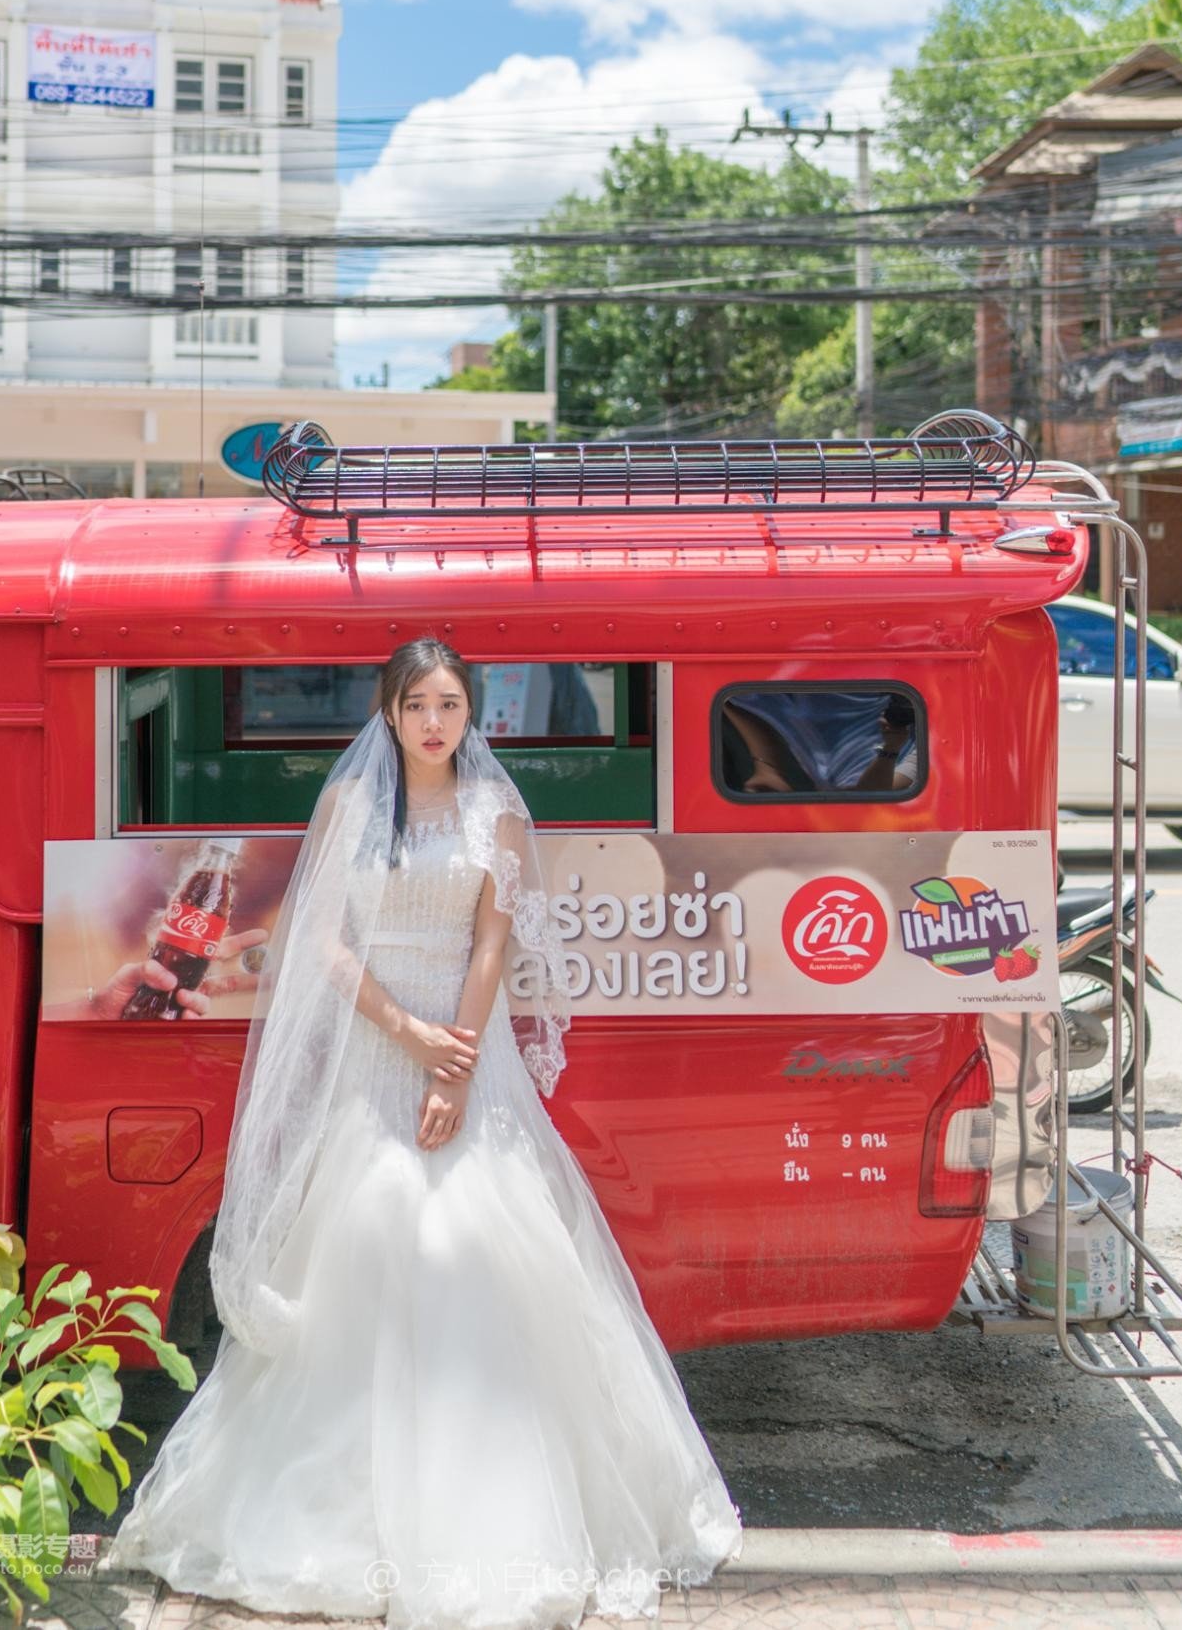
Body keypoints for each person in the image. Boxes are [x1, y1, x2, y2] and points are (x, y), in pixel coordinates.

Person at [103, 637, 742, 1629]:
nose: (433, 722)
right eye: (416, 705)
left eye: (449, 704)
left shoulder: (495, 812)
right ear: (388, 712)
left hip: (463, 1050)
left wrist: (454, 1056)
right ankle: (346, 1502)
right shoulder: (351, 807)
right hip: (375, 1051)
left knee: (470, 1246)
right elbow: (320, 939)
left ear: (468, 712)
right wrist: (401, 1031)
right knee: (361, 1246)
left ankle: (491, 1496)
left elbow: (495, 935)